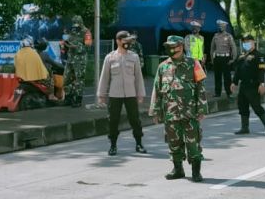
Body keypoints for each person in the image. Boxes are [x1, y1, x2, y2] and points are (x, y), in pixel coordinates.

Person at [150, 35, 209, 182]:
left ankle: (196, 172)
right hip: (170, 113)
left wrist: (202, 109)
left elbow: (201, 88)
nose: (171, 49)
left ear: (181, 46)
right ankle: (178, 170)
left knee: (193, 143)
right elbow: (157, 90)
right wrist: (155, 111)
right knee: (173, 143)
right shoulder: (162, 66)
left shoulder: (194, 64)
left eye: (174, 46)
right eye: (168, 46)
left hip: (190, 113)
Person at [98, 31, 147, 156]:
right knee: (113, 120)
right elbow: (104, 77)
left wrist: (140, 94)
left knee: (135, 120)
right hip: (115, 94)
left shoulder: (134, 57)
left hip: (131, 94)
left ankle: (139, 143)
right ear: (118, 41)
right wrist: (101, 95)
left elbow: (138, 77)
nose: (128, 43)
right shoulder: (110, 57)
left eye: (129, 41)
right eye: (125, 41)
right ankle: (113, 145)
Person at [231, 34, 265, 135]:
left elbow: (262, 70)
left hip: (253, 85)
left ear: (253, 42)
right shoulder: (241, 56)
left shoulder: (259, 56)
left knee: (256, 107)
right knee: (242, 106)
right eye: (244, 42)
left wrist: (262, 83)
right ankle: (245, 128)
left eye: (248, 42)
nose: (246, 44)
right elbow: (238, 71)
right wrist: (234, 82)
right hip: (243, 85)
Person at [14, 37, 57, 102]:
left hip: (22, 78)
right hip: (36, 78)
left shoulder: (18, 54)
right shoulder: (36, 54)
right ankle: (51, 95)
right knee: (50, 78)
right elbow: (40, 67)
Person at [64, 16, 89, 108]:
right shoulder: (72, 31)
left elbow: (88, 45)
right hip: (70, 58)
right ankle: (68, 98)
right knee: (66, 79)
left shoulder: (86, 32)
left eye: (77, 23)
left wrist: (77, 47)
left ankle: (77, 99)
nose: (75, 25)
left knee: (79, 80)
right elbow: (69, 40)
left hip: (80, 59)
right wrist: (65, 44)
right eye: (74, 23)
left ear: (81, 23)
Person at [210, 20, 238, 99]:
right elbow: (212, 48)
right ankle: (217, 93)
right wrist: (212, 59)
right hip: (217, 58)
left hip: (226, 59)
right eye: (219, 26)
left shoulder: (229, 36)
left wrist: (233, 58)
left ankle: (229, 93)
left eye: (222, 26)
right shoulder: (215, 36)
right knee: (217, 76)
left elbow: (233, 48)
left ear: (225, 27)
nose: (220, 27)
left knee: (227, 77)